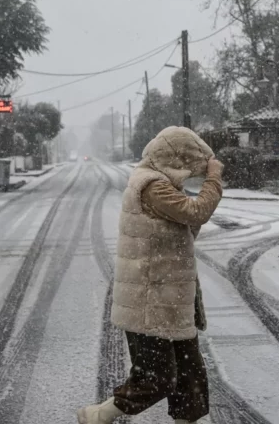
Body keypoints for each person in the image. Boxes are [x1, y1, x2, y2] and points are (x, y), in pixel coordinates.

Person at [78, 126, 224, 424]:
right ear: (175, 157)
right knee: (156, 377)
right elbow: (196, 213)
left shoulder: (162, 184)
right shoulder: (152, 185)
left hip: (171, 298)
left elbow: (184, 229)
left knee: (190, 377)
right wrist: (214, 178)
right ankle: (98, 415)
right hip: (149, 301)